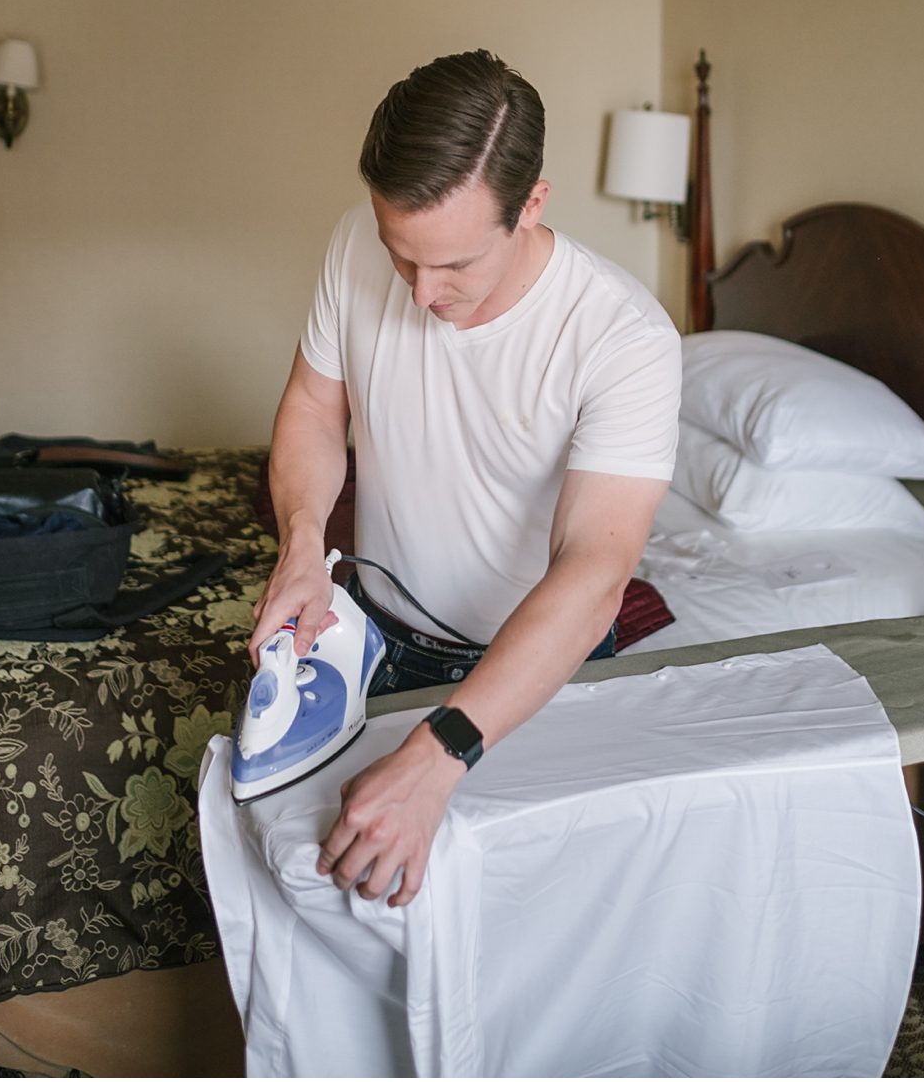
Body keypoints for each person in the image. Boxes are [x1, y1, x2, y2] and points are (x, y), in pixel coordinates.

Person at [249, 50, 679, 909]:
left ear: (532, 205)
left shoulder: (624, 338)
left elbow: (596, 570)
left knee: (515, 904)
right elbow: (313, 408)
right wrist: (301, 545)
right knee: (341, 887)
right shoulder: (352, 242)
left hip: (529, 672)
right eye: (401, 257)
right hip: (378, 632)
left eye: (453, 266)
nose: (419, 295)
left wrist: (442, 749)